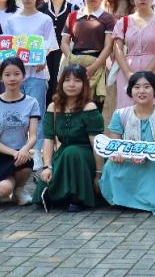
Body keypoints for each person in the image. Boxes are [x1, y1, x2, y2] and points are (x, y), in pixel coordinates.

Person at [100, 72, 155, 215]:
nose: (141, 91)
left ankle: (153, 202)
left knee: (151, 166)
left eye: (147, 87)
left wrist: (148, 156)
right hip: (129, 159)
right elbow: (115, 145)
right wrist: (119, 155)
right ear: (130, 91)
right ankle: (121, 200)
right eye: (136, 87)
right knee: (111, 165)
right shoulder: (120, 114)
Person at [37, 64, 104, 212]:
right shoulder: (53, 107)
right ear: (61, 83)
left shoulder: (89, 107)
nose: (71, 84)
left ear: (84, 84)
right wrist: (47, 166)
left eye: (77, 80)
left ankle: (77, 198)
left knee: (72, 152)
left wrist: (99, 173)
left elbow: (96, 143)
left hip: (86, 154)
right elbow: (48, 139)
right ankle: (60, 194)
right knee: (64, 157)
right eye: (67, 80)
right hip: (64, 153)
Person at [0, 57, 40, 209]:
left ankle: (18, 189)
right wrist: (14, 153)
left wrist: (24, 149)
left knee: (25, 163)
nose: (12, 78)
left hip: (21, 155)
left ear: (23, 75)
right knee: (4, 189)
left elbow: (33, 135)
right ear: (1, 77)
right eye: (7, 74)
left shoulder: (32, 103)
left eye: (16, 74)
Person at [8, 0, 57, 150]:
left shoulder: (45, 19)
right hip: (15, 75)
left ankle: (38, 152)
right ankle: (17, 149)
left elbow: (50, 43)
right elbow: (7, 46)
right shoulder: (12, 20)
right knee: (16, 113)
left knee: (37, 114)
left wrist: (43, 57)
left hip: (37, 73)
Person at [113, 0, 155, 111]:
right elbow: (117, 49)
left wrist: (147, 73)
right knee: (127, 109)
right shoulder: (124, 22)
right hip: (128, 71)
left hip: (154, 70)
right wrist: (128, 73)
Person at [60, 0, 115, 108]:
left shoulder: (107, 18)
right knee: (72, 103)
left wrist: (93, 67)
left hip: (97, 64)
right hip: (74, 63)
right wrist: (72, 60)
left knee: (94, 104)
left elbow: (108, 46)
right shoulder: (73, 16)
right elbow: (64, 43)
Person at [36, 0, 77, 101]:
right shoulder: (41, 9)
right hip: (45, 55)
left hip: (65, 54)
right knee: (46, 89)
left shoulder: (73, 9)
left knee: (62, 87)